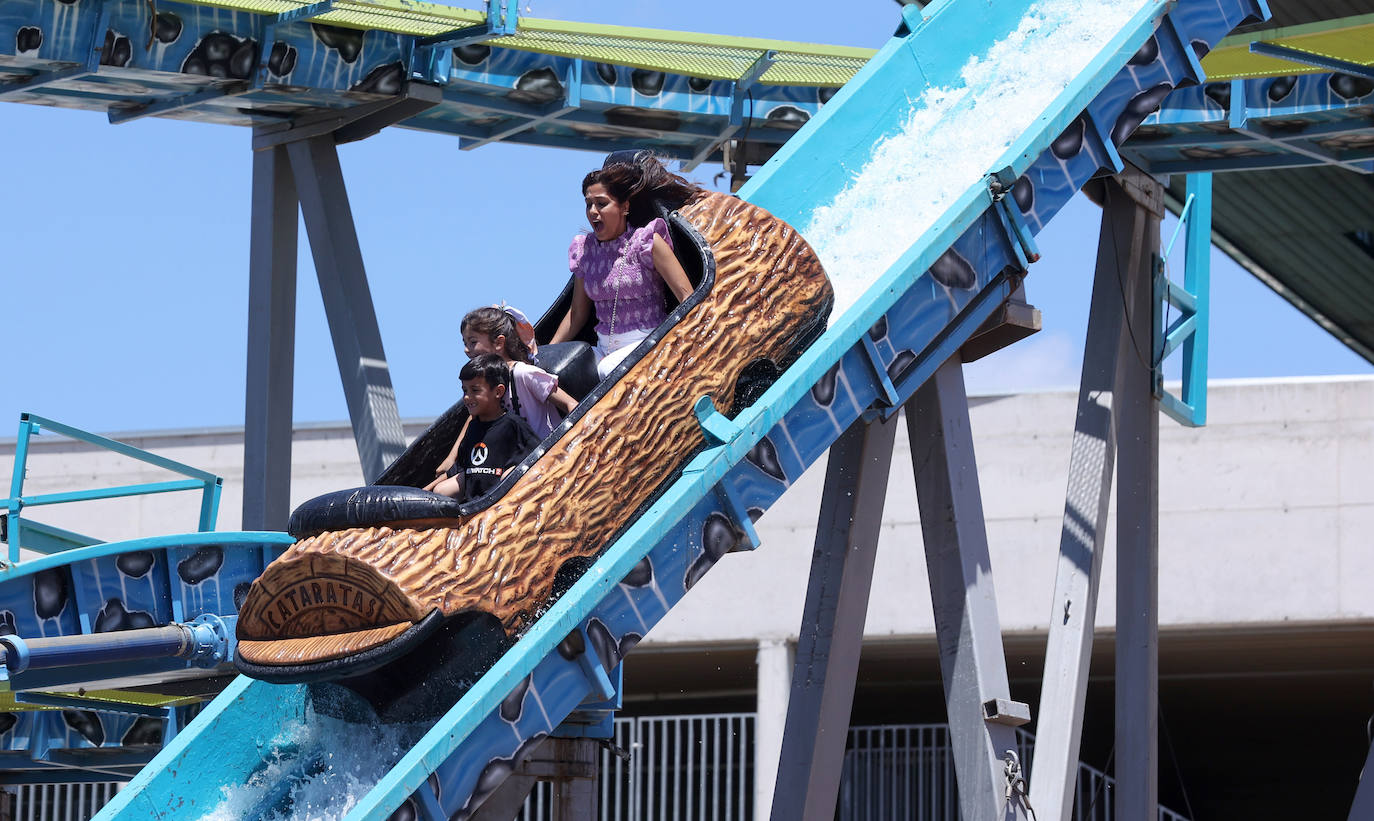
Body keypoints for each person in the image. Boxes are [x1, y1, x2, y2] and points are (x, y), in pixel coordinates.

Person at [551, 152, 704, 378]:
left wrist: (688, 346)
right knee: (559, 372)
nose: (593, 211)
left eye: (601, 204)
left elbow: (687, 298)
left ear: (624, 207)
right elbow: (577, 313)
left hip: (647, 341)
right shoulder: (585, 250)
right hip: (604, 348)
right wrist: (547, 353)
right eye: (588, 204)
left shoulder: (647, 242)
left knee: (607, 370)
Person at [425, 354, 541, 503]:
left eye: (475, 390)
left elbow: (539, 455)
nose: (467, 397)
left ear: (498, 392)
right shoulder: (473, 427)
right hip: (473, 502)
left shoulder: (512, 425)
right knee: (440, 490)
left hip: (501, 502)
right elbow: (459, 467)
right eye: (465, 390)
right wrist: (427, 490)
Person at [462, 305, 577, 438]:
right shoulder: (485, 385)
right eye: (465, 343)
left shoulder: (523, 373)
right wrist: (451, 458)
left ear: (499, 343)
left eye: (473, 342)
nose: (466, 349)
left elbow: (571, 404)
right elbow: (473, 420)